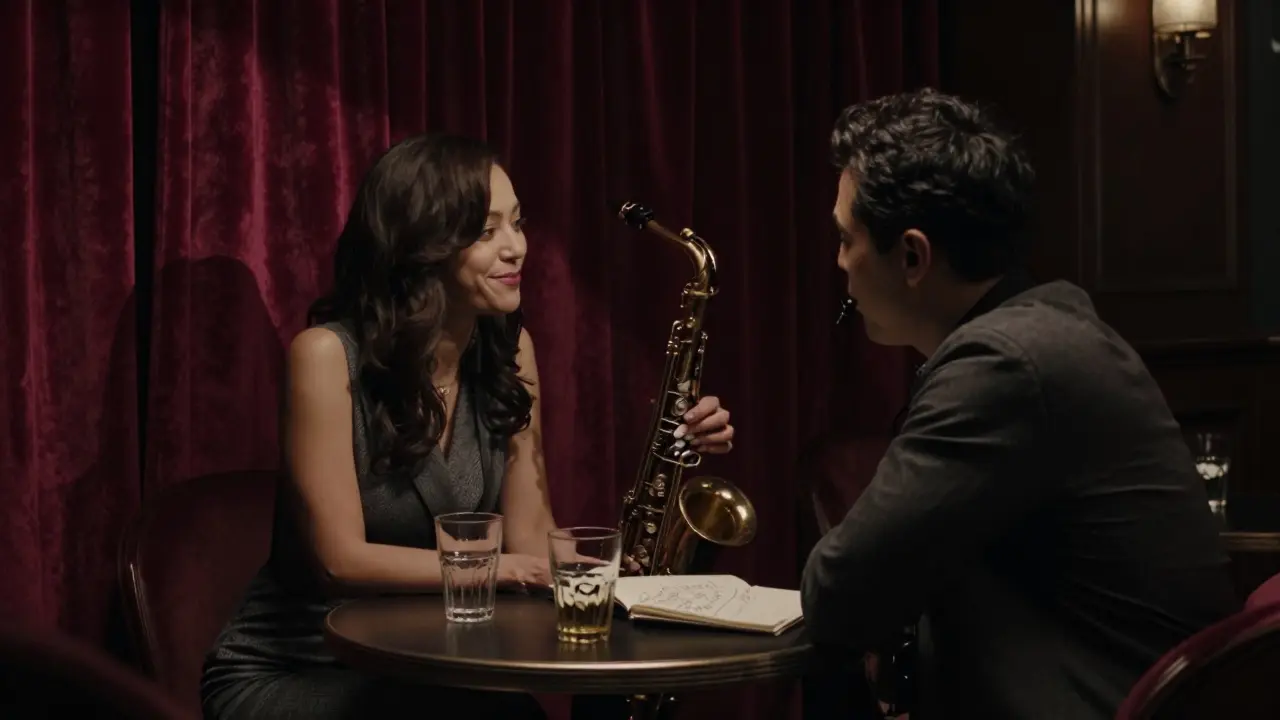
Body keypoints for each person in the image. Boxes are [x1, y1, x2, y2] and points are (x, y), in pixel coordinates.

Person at [201, 133, 737, 720]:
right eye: (486, 232)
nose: (517, 249)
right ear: (422, 245)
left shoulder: (512, 352)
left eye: (518, 223)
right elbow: (340, 560)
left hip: (426, 668)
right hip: (299, 670)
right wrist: (509, 568)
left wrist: (672, 451)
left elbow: (532, 538)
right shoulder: (326, 356)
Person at [800, 89, 1240, 719]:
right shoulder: (1048, 324)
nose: (840, 261)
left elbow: (838, 594)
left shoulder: (1004, 364)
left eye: (846, 238)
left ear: (913, 255)